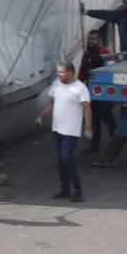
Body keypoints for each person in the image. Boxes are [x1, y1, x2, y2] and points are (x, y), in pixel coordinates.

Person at [35, 60, 91, 203]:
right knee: (61, 160)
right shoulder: (57, 84)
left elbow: (87, 108)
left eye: (62, 72)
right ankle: (65, 189)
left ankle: (77, 191)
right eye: (59, 72)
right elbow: (52, 102)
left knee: (67, 159)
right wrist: (41, 116)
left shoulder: (80, 88)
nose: (59, 75)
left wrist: (88, 129)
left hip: (71, 131)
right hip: (57, 129)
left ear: (71, 72)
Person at [77, 30, 115, 154]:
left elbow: (111, 70)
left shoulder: (105, 53)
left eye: (93, 39)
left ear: (98, 40)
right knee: (94, 120)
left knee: (107, 117)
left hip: (104, 93)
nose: (90, 41)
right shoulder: (86, 55)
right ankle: (94, 146)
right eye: (89, 39)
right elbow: (82, 74)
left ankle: (116, 143)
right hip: (91, 93)